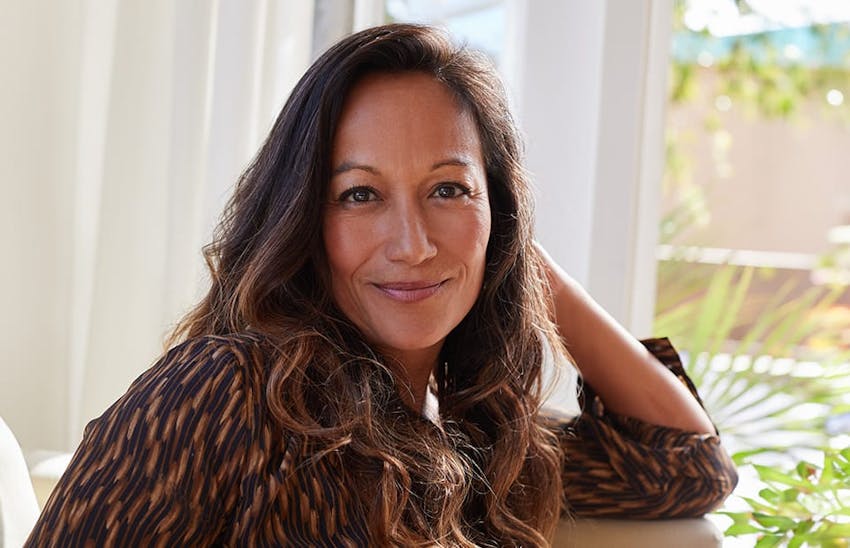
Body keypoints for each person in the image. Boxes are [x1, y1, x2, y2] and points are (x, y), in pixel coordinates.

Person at [26, 24, 736, 547]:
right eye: (360, 195)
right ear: (303, 218)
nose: (413, 243)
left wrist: (513, 256)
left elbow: (685, 462)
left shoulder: (479, 431)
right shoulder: (227, 389)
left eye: (448, 190)